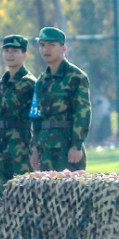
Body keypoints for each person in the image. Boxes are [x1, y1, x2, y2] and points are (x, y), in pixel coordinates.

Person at [29, 27, 91, 172]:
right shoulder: (41, 81)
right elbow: (37, 118)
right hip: (46, 149)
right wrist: (35, 148)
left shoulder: (76, 77)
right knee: (47, 193)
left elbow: (82, 113)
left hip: (67, 148)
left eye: (52, 45)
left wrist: (76, 145)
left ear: (63, 48)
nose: (46, 49)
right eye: (42, 45)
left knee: (71, 193)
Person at [0, 35, 36, 204]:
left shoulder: (27, 82)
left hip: (20, 147)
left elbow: (4, 106)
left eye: (15, 51)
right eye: (6, 50)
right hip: (1, 147)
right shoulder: (3, 83)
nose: (10, 55)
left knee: (23, 197)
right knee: (3, 198)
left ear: (24, 55)